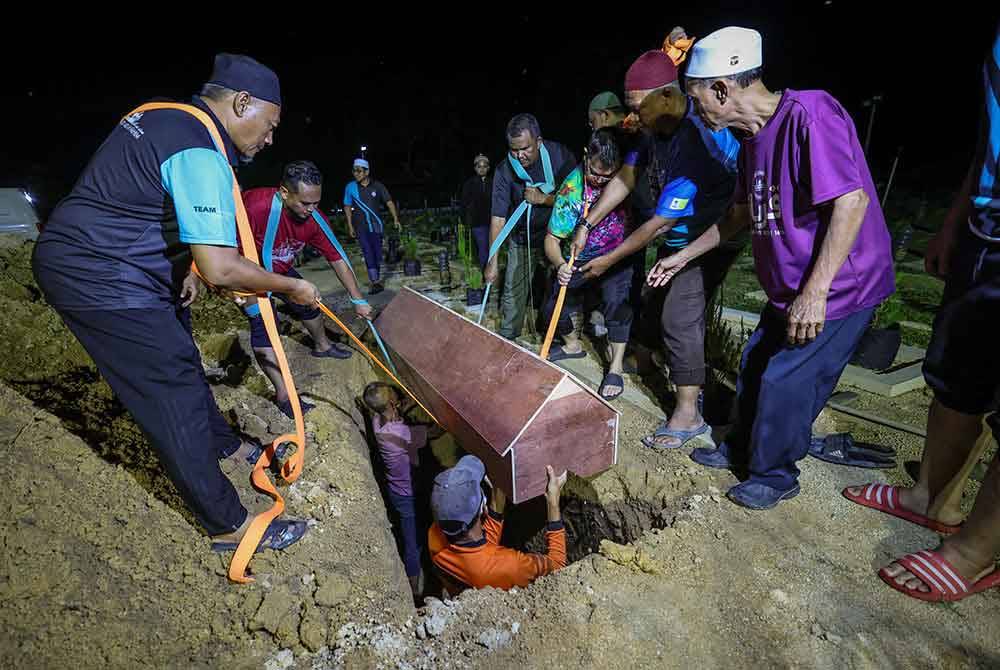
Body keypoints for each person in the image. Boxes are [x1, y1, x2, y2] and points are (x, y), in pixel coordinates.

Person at [32, 54, 313, 553]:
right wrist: (290, 287)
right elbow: (223, 267)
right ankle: (229, 525)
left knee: (180, 353)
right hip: (99, 271)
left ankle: (224, 446)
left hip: (111, 259)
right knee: (173, 386)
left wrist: (181, 265)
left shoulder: (162, 117)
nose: (269, 139)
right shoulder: (199, 148)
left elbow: (142, 197)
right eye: (268, 126)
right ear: (242, 103)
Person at [658, 27, 894, 509]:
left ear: (722, 89)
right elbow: (739, 215)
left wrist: (816, 292)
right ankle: (742, 448)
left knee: (787, 378)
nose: (696, 109)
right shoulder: (750, 138)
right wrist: (683, 254)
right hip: (791, 287)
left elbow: (851, 203)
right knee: (754, 361)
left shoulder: (811, 113)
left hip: (841, 285)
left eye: (696, 97)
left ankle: (774, 474)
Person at [843, 26, 1000, 602]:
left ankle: (974, 552)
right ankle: (931, 498)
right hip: (986, 228)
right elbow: (992, 136)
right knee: (957, 373)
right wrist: (957, 216)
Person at [570, 48, 739, 446]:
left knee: (680, 315)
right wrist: (585, 222)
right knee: (652, 293)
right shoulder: (654, 129)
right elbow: (626, 177)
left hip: (712, 236)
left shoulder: (695, 141)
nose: (631, 118)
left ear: (665, 97)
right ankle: (648, 361)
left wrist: (607, 259)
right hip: (677, 233)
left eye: (636, 107)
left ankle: (687, 412)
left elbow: (660, 222)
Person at [242, 160, 373, 418]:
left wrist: (358, 300)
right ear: (284, 192)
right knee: (265, 325)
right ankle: (284, 396)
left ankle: (322, 346)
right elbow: (220, 245)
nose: (311, 209)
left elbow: (337, 257)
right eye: (305, 203)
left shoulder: (314, 218)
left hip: (279, 269)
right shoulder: (255, 207)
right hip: (248, 271)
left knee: (308, 301)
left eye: (316, 203)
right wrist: (232, 287)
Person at [543, 128, 632, 400]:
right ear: (585, 157)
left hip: (617, 255)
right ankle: (572, 345)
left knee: (617, 305)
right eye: (595, 172)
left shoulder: (626, 178)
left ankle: (615, 367)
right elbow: (551, 238)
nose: (601, 180)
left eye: (608, 175)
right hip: (579, 257)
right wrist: (560, 264)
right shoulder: (571, 189)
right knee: (553, 304)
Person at [485, 114, 576, 340]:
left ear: (539, 141)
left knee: (558, 288)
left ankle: (559, 337)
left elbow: (578, 200)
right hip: (521, 238)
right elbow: (498, 219)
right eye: (514, 150)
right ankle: (508, 338)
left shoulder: (561, 157)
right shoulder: (505, 170)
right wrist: (492, 262)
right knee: (513, 293)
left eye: (525, 148)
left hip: (556, 237)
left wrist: (544, 199)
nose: (519, 156)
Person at [428, 455, 567, 592]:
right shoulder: (512, 567)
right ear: (483, 507)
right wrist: (553, 502)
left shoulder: (434, 536)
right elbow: (558, 567)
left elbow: (478, 555)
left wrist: (496, 507)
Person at [363, 382, 443, 598]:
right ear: (391, 402)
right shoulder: (402, 433)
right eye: (394, 396)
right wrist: (446, 415)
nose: (398, 398)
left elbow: (398, 410)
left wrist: (416, 399)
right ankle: (414, 590)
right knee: (413, 542)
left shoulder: (377, 419)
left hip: (395, 488)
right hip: (406, 495)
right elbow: (435, 432)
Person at [344, 158, 401, 294]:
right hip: (360, 226)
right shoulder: (350, 187)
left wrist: (395, 219)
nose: (356, 174)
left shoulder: (378, 186)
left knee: (377, 252)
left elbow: (389, 202)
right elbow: (347, 206)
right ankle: (374, 281)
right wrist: (350, 226)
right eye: (354, 171)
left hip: (376, 225)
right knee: (367, 251)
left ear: (367, 171)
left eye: (359, 171)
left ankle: (376, 276)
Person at [460, 154, 493, 268]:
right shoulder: (469, 184)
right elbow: (464, 204)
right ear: (475, 168)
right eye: (479, 166)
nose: (482, 168)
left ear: (488, 168)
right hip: (477, 222)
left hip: (492, 221)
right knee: (483, 247)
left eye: (484, 166)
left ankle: (492, 271)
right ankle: (485, 273)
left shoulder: (493, 183)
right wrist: (464, 221)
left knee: (492, 248)